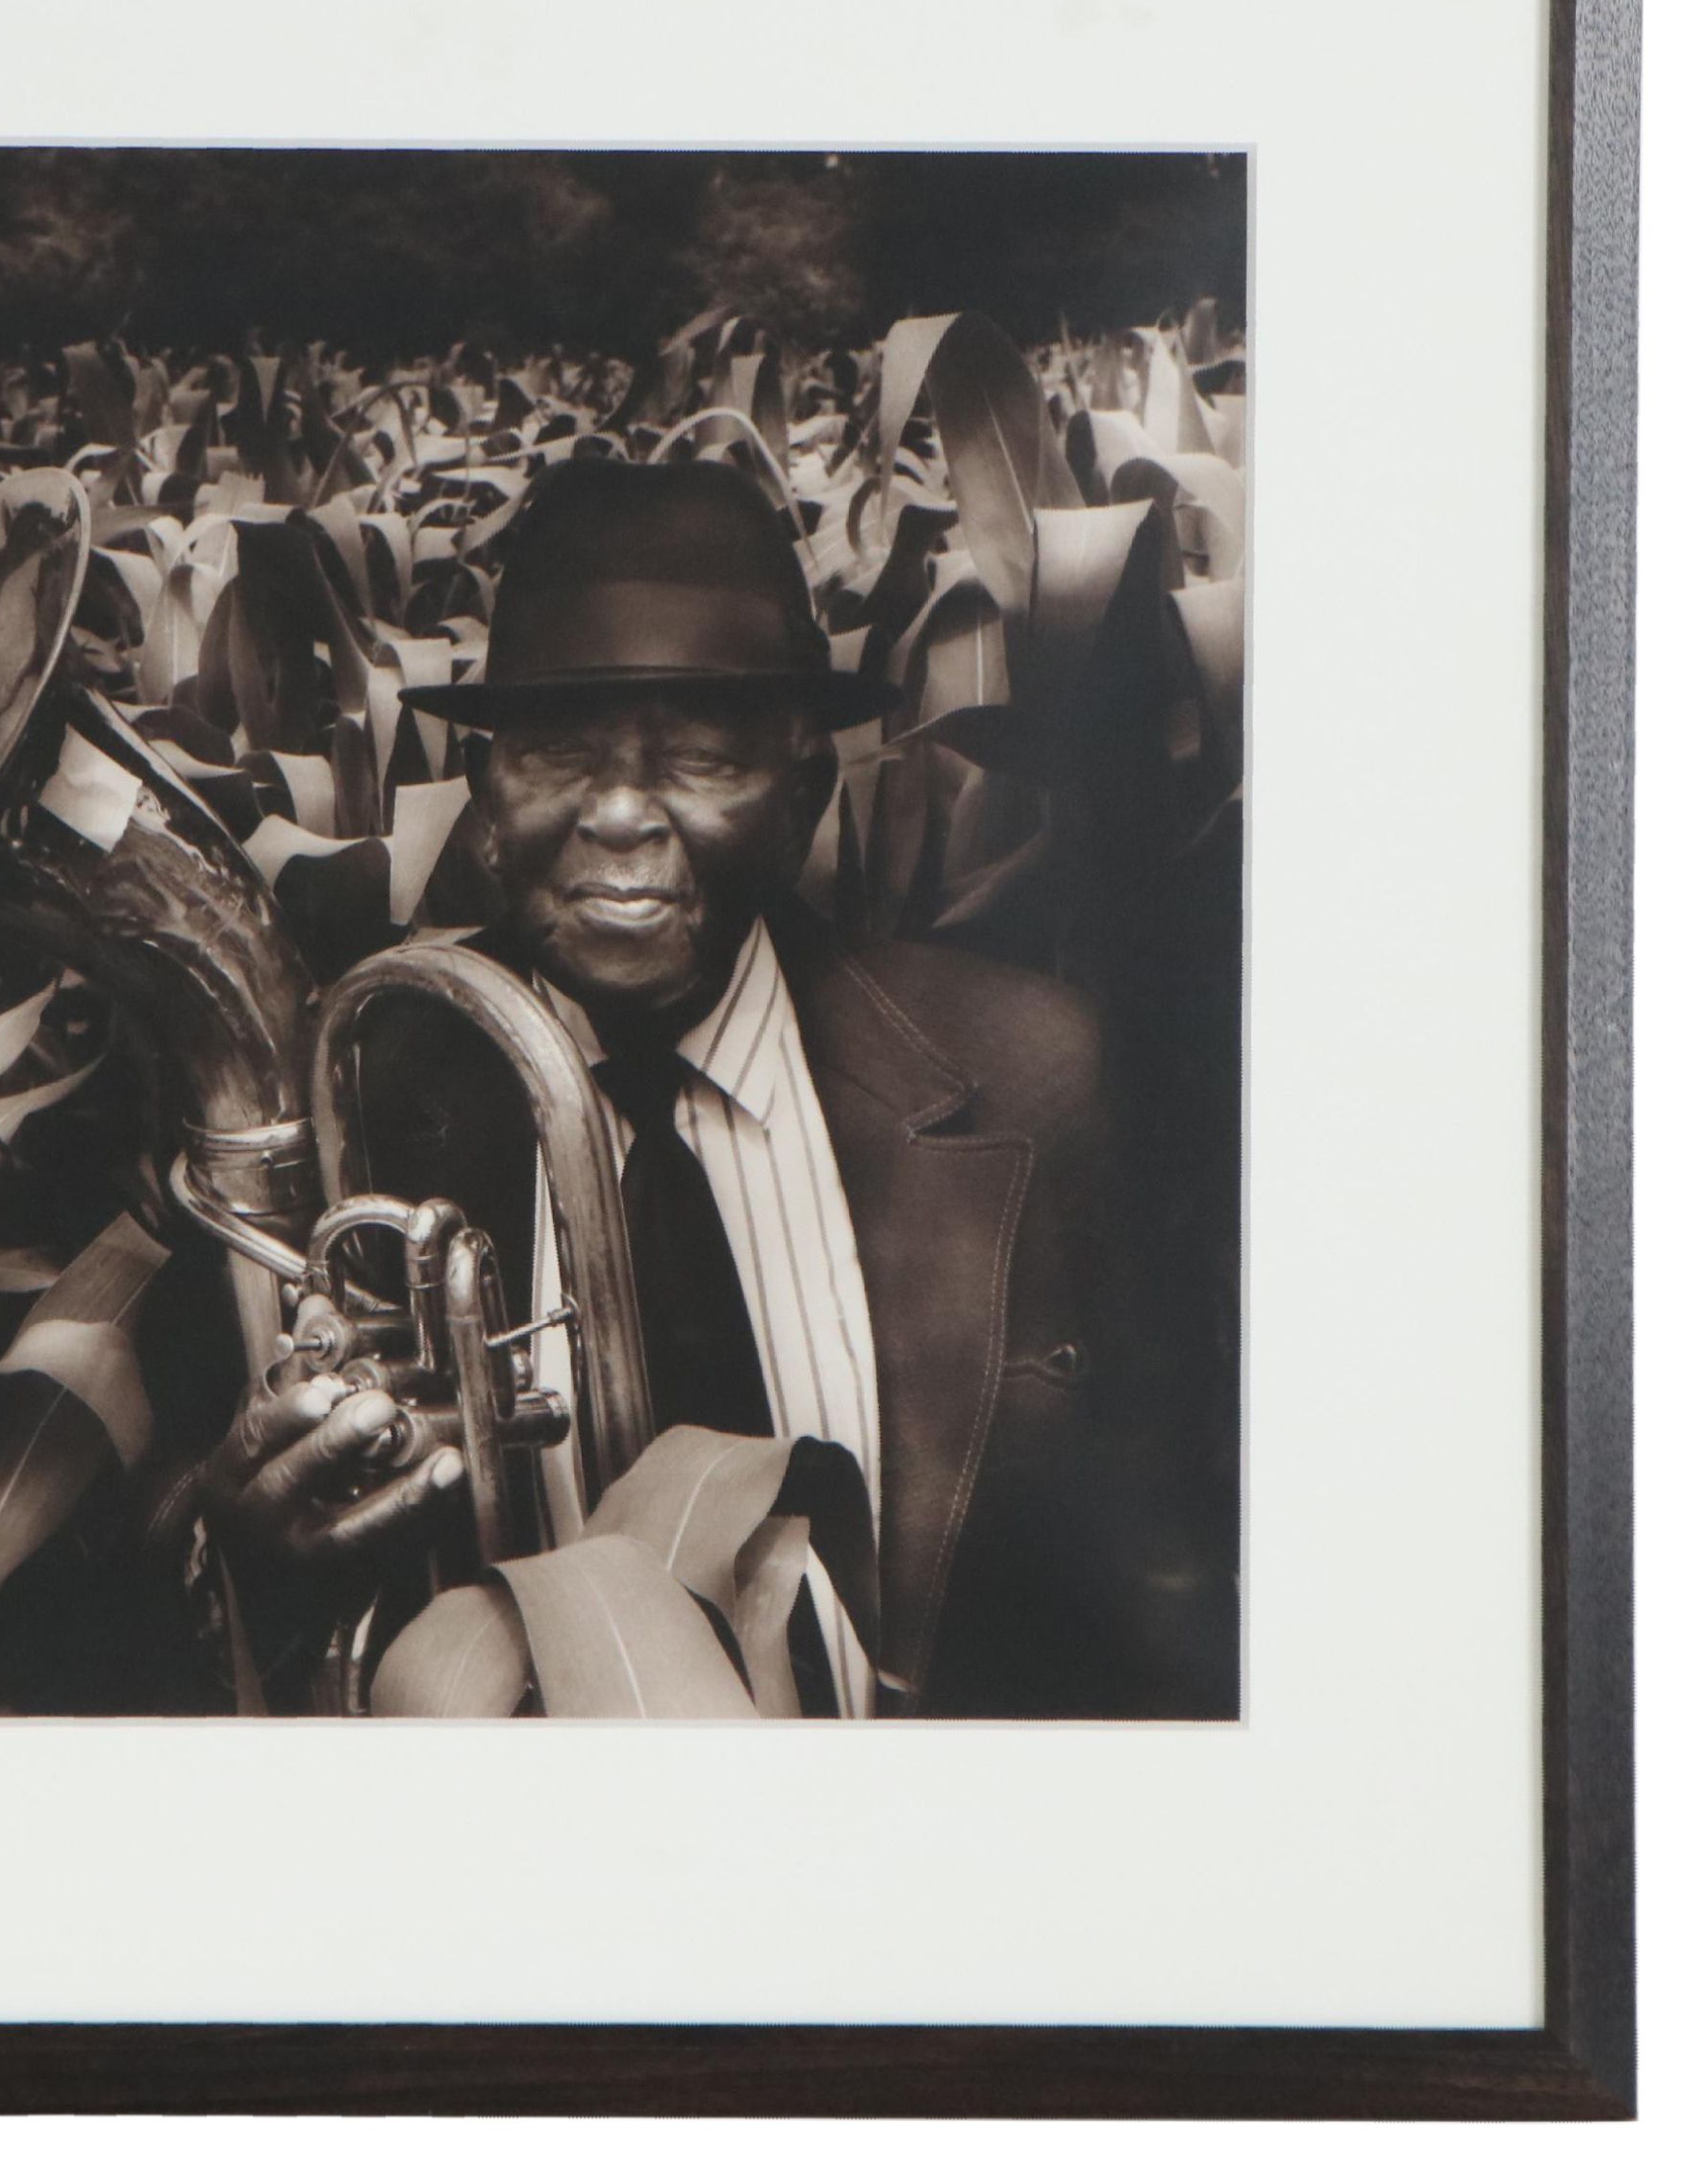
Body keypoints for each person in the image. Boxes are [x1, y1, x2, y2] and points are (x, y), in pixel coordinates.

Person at [182, 456, 1233, 1719]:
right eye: (561, 749)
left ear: (802, 793)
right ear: (483, 788)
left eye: (700, 756)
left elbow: (1166, 1599)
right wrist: (257, 1553)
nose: (622, 815)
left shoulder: (1042, 1077)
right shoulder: (366, 1110)